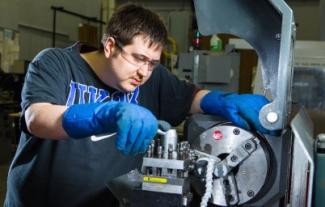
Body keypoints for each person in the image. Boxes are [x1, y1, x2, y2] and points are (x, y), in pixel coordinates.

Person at [5, 4, 271, 207]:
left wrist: (224, 101)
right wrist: (105, 113)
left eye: (153, 63)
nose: (144, 72)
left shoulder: (150, 80)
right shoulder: (56, 63)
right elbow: (37, 118)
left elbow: (190, 98)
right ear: (110, 46)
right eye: (138, 58)